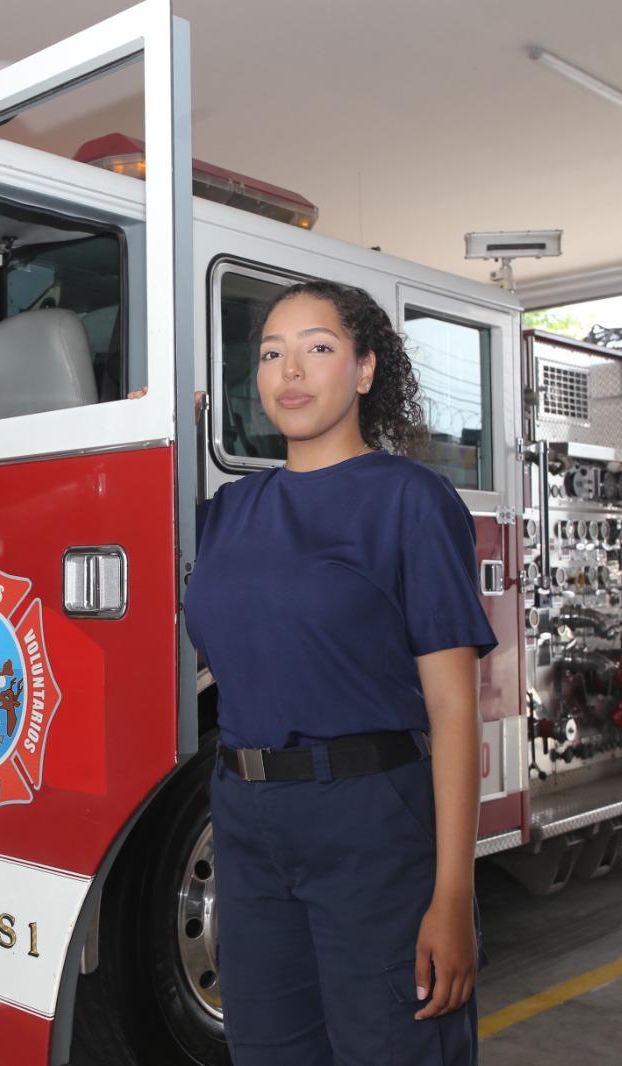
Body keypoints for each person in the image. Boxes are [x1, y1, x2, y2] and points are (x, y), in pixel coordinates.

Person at [184, 279, 497, 1065]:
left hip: (370, 820)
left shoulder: (409, 500)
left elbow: (455, 710)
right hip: (245, 820)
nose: (290, 371)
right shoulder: (227, 511)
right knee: (267, 1050)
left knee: (392, 1049)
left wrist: (453, 895)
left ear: (363, 370)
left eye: (317, 348)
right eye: (270, 354)